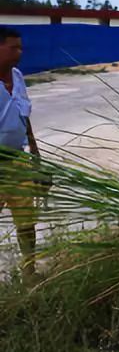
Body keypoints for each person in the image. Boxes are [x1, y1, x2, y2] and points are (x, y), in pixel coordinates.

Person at [0, 26, 41, 282]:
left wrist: (35, 153)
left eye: (20, 47)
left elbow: (24, 116)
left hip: (18, 161)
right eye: (13, 47)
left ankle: (29, 272)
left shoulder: (17, 76)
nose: (20, 52)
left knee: (27, 223)